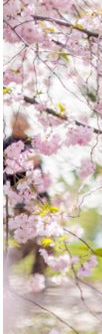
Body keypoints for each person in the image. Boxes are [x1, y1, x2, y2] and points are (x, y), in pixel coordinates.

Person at [4, 113, 48, 278]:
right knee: (27, 242)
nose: (19, 128)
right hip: (21, 199)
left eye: (21, 125)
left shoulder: (32, 143)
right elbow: (6, 176)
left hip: (40, 197)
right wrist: (26, 164)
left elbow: (40, 175)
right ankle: (3, 268)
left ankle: (37, 279)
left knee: (48, 240)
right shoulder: (6, 145)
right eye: (15, 125)